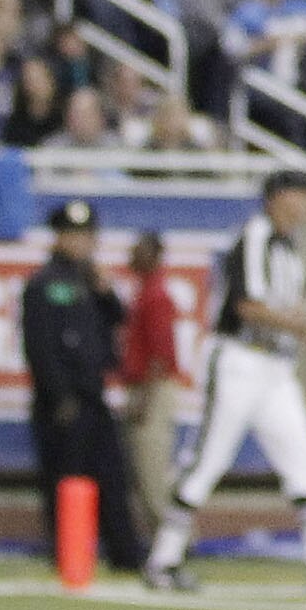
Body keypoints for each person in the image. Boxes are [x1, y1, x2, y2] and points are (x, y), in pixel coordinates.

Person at [144, 171, 306, 592]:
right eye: (300, 196)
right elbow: (247, 305)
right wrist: (303, 328)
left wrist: (299, 321)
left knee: (304, 460)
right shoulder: (255, 235)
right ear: (279, 198)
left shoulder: (289, 248)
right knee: (208, 461)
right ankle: (163, 559)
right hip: (240, 361)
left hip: (276, 368)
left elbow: (287, 301)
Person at [18, 198, 146, 575]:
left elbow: (119, 319)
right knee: (65, 476)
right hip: (62, 399)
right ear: (59, 238)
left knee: (112, 476)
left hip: (94, 395)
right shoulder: (44, 284)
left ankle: (125, 553)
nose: (81, 244)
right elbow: (39, 346)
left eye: (87, 236)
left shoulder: (92, 282)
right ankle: (68, 552)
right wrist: (59, 395)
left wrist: (106, 292)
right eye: (73, 236)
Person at [113, 229, 187, 537]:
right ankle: (164, 537)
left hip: (151, 389)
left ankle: (174, 539)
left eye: (138, 250)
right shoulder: (145, 292)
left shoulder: (155, 296)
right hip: (144, 386)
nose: (131, 256)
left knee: (152, 470)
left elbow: (160, 354)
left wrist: (145, 398)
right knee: (142, 472)